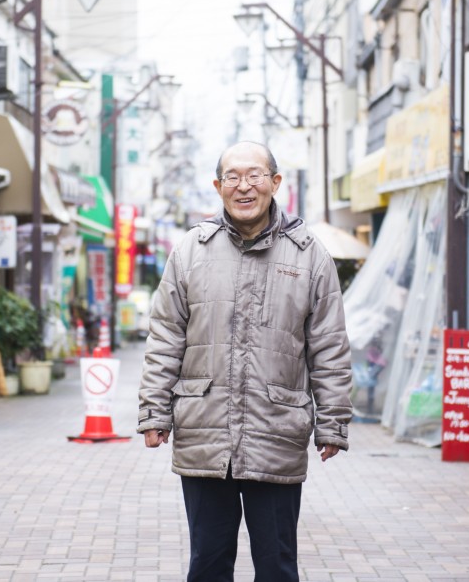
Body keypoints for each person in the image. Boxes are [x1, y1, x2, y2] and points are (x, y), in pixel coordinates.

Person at [137, 141, 353, 581]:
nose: (244, 186)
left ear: (275, 183)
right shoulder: (191, 251)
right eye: (232, 177)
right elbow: (165, 336)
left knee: (276, 565)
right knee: (208, 563)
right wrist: (153, 410)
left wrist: (333, 421)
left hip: (276, 430)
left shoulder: (309, 255)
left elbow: (329, 345)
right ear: (218, 187)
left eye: (255, 175)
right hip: (204, 430)